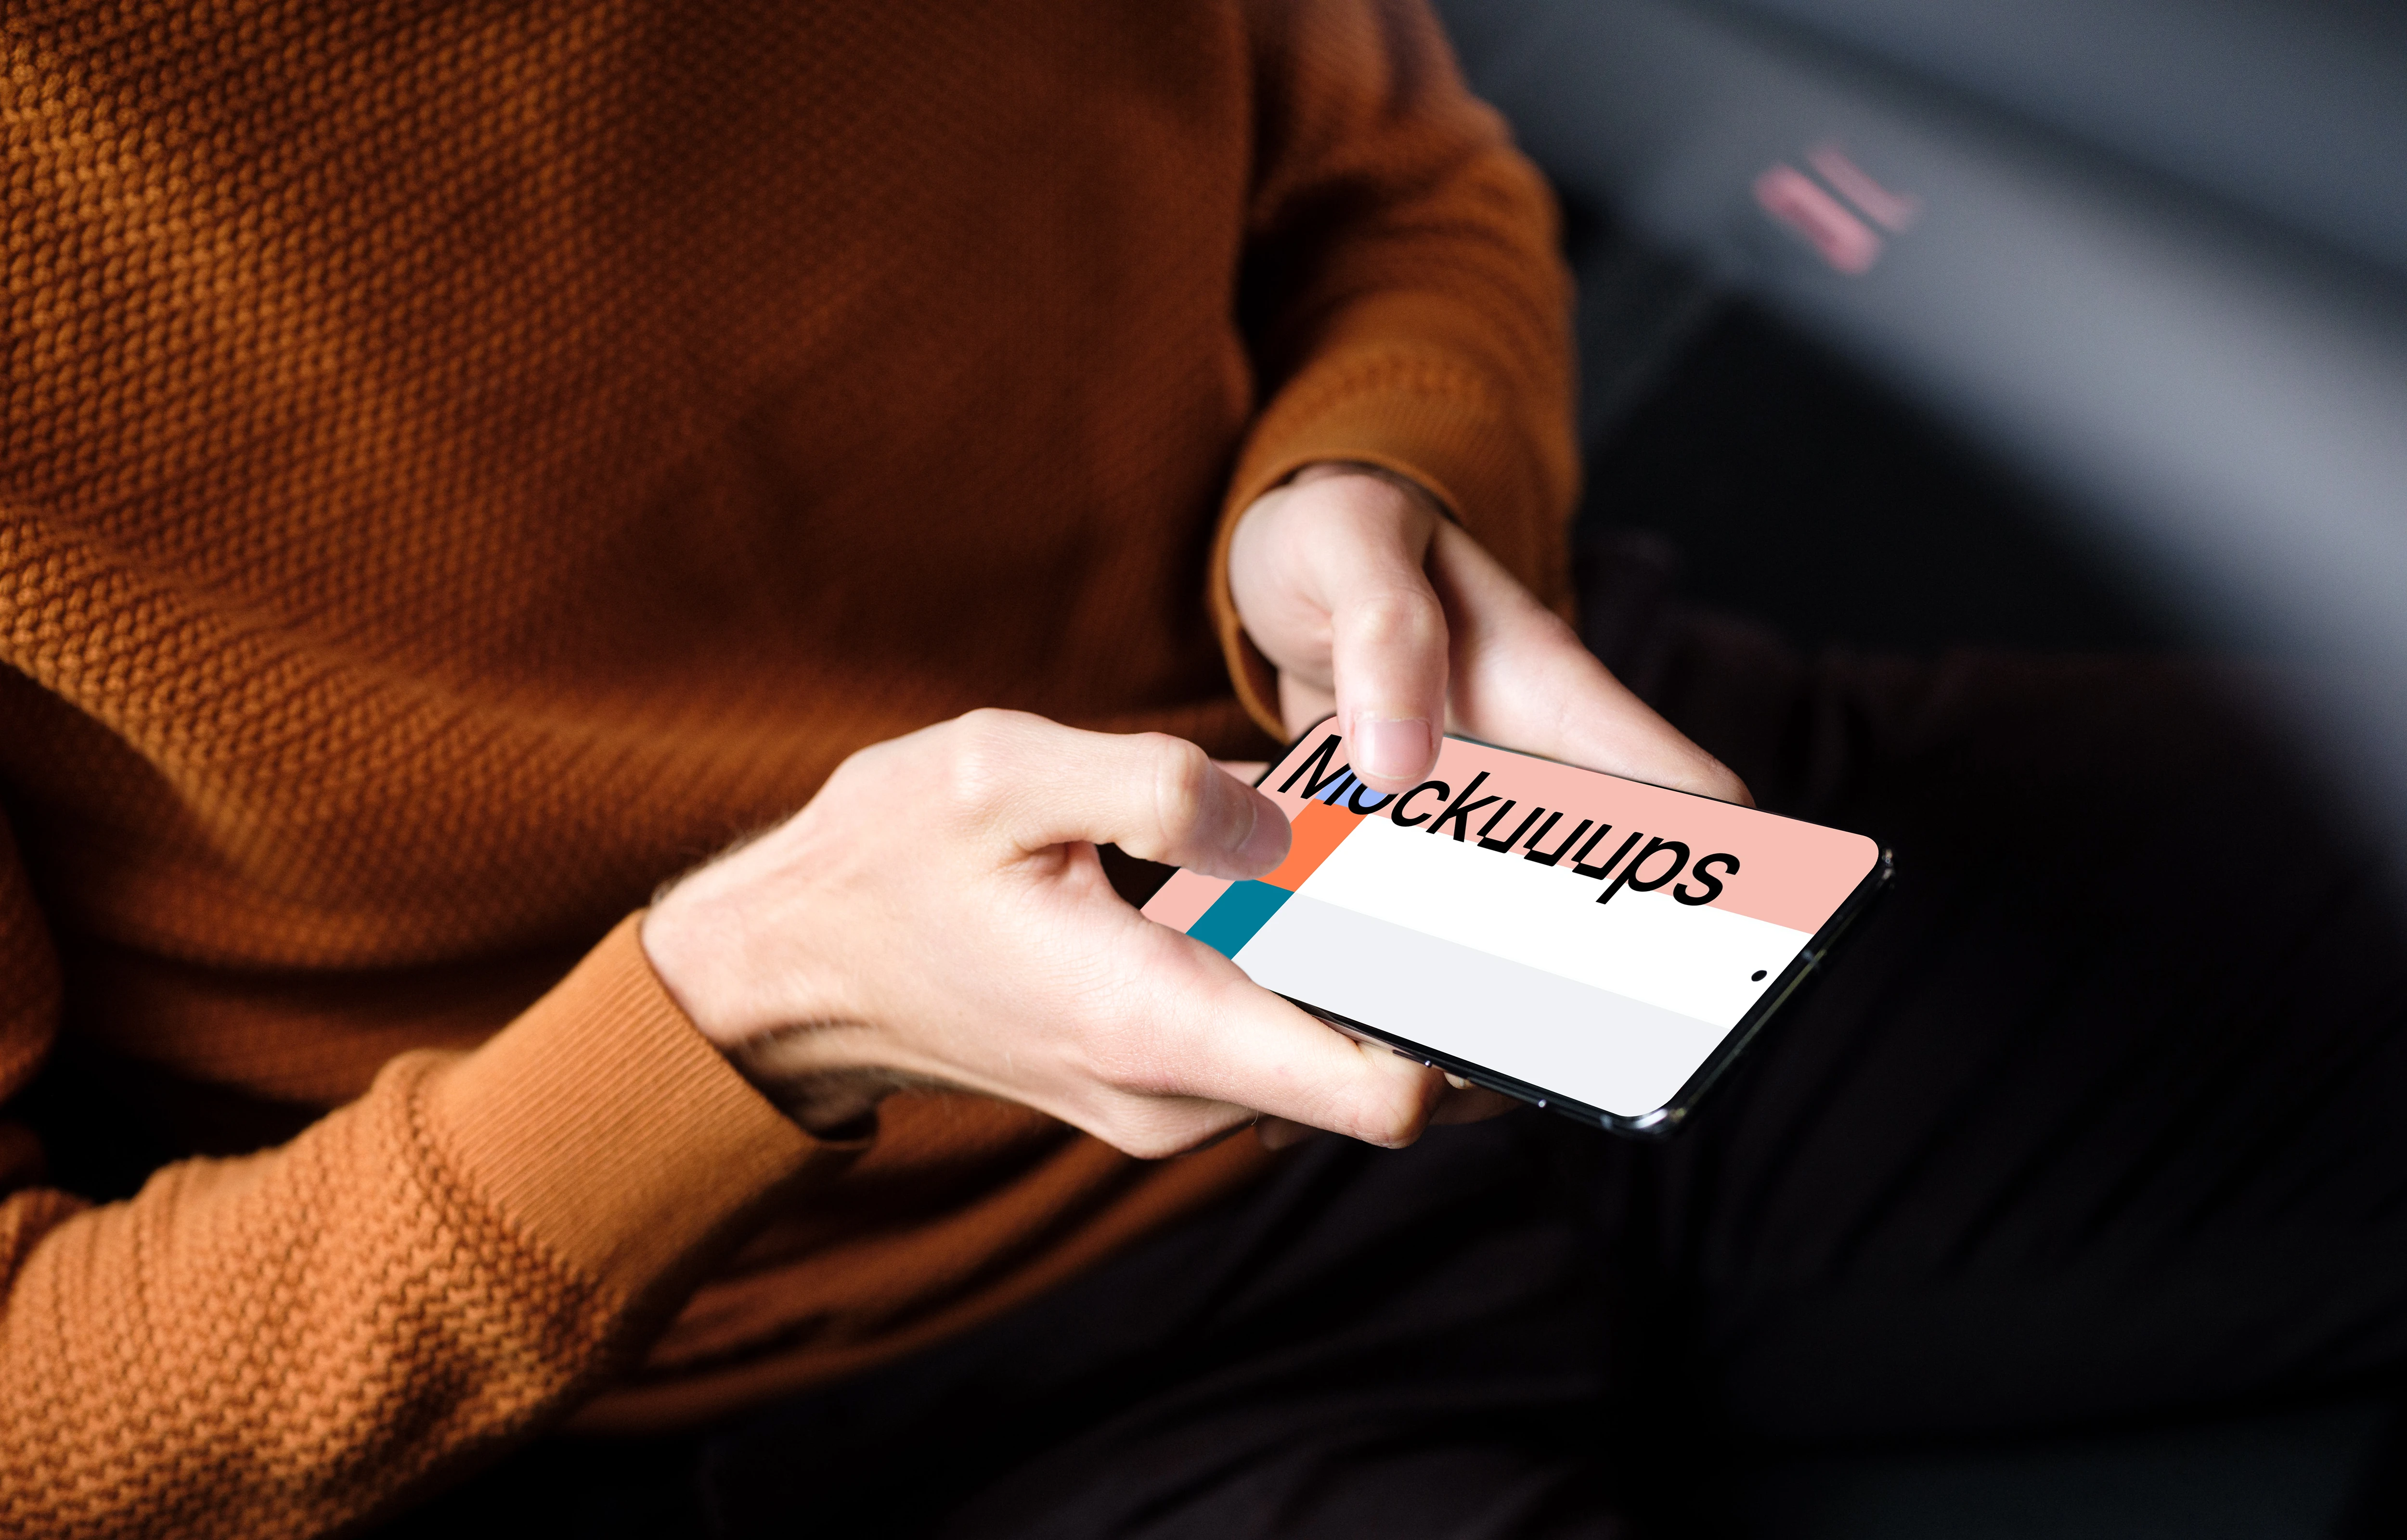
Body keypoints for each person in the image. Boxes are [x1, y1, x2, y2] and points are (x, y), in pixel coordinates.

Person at [11, 2, 2407, 1537]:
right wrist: (742, 1007)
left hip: (1509, 845)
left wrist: (1385, 483)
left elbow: (1382, 157)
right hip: (875, 1357)